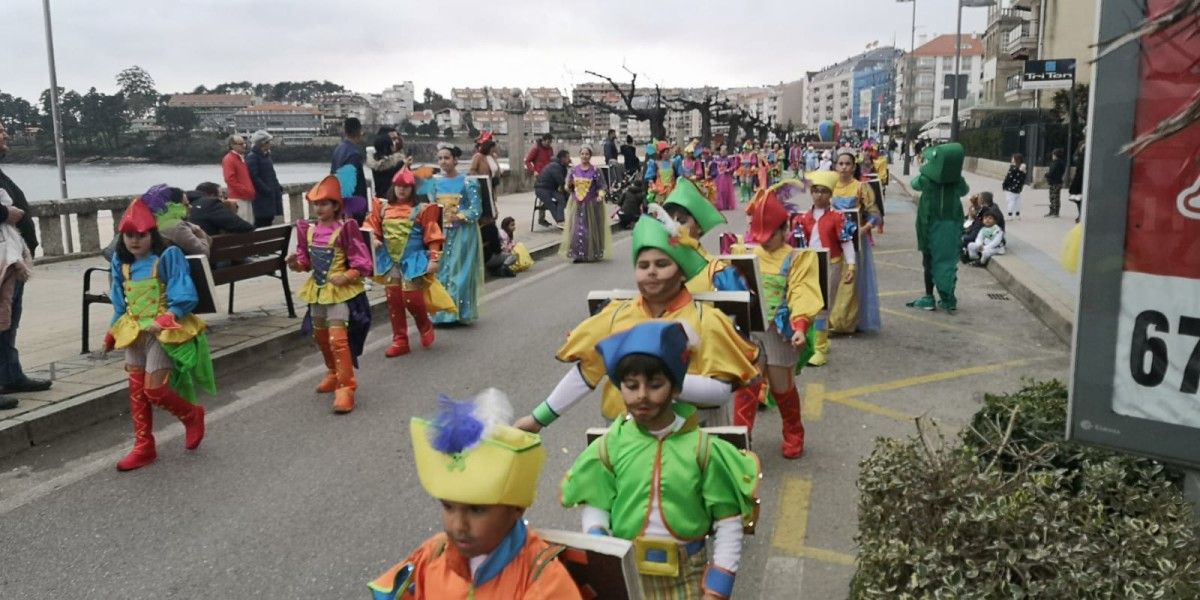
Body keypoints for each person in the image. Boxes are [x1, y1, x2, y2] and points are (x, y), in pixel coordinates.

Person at [560, 321, 760, 598]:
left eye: (655, 385)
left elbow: (727, 521)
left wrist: (717, 588)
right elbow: (597, 504)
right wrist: (600, 546)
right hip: (627, 572)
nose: (642, 395)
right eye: (631, 385)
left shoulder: (703, 450)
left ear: (676, 388)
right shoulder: (610, 446)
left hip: (688, 577)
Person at [514, 215, 759, 432]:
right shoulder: (614, 315)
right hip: (624, 443)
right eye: (643, 266)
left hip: (690, 442)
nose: (651, 271)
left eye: (662, 264)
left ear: (682, 272)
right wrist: (538, 419)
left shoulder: (707, 320)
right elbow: (586, 373)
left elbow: (721, 390)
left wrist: (665, 379)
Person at [368, 389, 583, 600]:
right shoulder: (433, 556)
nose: (458, 526)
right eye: (448, 507)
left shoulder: (543, 584)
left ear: (516, 507)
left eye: (477, 510)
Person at [102, 197, 212, 471]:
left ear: (152, 234)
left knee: (155, 390)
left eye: (141, 235)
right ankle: (144, 446)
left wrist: (165, 318)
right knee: (137, 392)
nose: (134, 241)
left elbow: (183, 294)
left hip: (163, 332)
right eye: (129, 235)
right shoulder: (120, 262)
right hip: (133, 331)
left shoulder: (168, 256)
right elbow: (119, 302)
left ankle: (191, 415)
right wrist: (111, 332)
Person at [733, 183, 823, 458]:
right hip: (751, 329)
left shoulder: (798, 258)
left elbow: (801, 290)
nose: (763, 240)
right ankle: (741, 439)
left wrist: (800, 326)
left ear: (786, 229)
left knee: (782, 387)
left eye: (770, 235)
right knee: (747, 384)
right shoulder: (743, 252)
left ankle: (794, 431)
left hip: (780, 331)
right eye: (759, 235)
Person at [286, 176, 373, 413]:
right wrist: (295, 263)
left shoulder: (346, 228)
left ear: (336, 206)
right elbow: (306, 262)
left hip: (341, 292)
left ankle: (346, 386)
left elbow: (363, 262)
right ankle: (333, 372)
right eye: (316, 204)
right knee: (321, 337)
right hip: (317, 290)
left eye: (324, 203)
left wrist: (347, 276)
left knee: (338, 339)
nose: (319, 208)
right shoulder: (308, 230)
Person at [365, 169, 450, 357]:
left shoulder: (423, 210)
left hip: (414, 260)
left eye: (406, 187)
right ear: (393, 187)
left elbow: (433, 235)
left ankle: (424, 324)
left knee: (411, 298)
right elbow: (371, 228)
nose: (401, 190)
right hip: (389, 260)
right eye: (398, 186)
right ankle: (400, 339)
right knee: (394, 299)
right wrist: (374, 239)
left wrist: (434, 259)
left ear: (412, 189)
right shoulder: (382, 207)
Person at [794, 172, 856, 367]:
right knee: (807, 305)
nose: (818, 195)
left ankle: (820, 348)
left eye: (823, 191)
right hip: (808, 265)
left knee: (822, 307)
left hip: (831, 264)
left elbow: (846, 242)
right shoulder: (803, 217)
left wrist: (851, 264)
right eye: (815, 191)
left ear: (830, 195)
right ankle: (817, 341)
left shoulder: (838, 217)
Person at [907, 143, 969, 313]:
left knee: (929, 262)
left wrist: (925, 169)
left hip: (930, 226)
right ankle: (948, 298)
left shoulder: (926, 179)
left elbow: (914, 184)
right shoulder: (957, 181)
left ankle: (929, 297)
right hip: (951, 226)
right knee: (948, 262)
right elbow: (965, 190)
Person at [828, 150, 882, 333]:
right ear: (835, 166)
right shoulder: (830, 187)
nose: (843, 167)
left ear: (853, 167)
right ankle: (830, 318)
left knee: (849, 280)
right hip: (833, 241)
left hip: (855, 241)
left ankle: (843, 322)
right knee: (833, 278)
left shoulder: (861, 187)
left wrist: (862, 230)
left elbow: (874, 215)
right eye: (840, 163)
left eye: (847, 164)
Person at [431, 145, 485, 325]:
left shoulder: (468, 182)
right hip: (442, 233)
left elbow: (476, 210)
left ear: (455, 160)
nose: (443, 162)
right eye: (439, 158)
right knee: (442, 272)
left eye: (446, 157)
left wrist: (460, 216)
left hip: (463, 233)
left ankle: (457, 312)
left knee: (459, 272)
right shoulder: (434, 183)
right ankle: (442, 311)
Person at [560, 146, 612, 263]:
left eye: (587, 154)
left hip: (591, 204)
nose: (584, 156)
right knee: (576, 228)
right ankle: (577, 254)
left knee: (590, 228)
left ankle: (591, 252)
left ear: (590, 156)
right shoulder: (573, 170)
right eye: (582, 154)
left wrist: (600, 195)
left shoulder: (595, 170)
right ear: (579, 155)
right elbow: (567, 187)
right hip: (576, 203)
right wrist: (569, 185)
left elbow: (602, 186)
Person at [141, 185, 212, 257]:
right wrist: (198, 231)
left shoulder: (155, 224)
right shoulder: (176, 227)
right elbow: (204, 252)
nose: (190, 207)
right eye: (186, 205)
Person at [469, 131, 503, 273]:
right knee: (487, 217)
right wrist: (481, 180)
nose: (495, 149)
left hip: (492, 189)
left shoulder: (492, 157)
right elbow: (472, 171)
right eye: (492, 147)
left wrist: (496, 178)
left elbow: (497, 170)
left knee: (493, 213)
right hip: (483, 189)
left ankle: (495, 250)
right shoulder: (478, 157)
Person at [332, 117, 369, 224]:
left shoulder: (338, 149)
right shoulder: (353, 154)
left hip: (338, 203)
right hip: (352, 208)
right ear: (359, 131)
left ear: (345, 131)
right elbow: (349, 184)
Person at [245, 130, 283, 228]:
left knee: (269, 220)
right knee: (261, 222)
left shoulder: (266, 156)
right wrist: (267, 190)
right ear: (263, 143)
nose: (271, 143)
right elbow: (254, 177)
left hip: (270, 196)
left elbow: (272, 175)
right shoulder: (252, 157)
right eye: (269, 141)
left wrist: (277, 187)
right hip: (261, 198)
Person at [186, 182, 254, 236]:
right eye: (220, 196)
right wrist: (232, 212)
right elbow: (244, 227)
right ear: (212, 196)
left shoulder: (185, 203)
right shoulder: (210, 203)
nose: (223, 200)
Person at [221, 134, 256, 223]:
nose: (244, 145)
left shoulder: (240, 158)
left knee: (249, 224)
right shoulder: (229, 159)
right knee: (243, 224)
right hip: (238, 199)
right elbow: (229, 179)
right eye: (240, 144)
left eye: (244, 143)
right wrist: (245, 191)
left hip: (246, 197)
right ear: (232, 145)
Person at [368, 127, 408, 200]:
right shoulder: (398, 163)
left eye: (397, 138)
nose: (396, 142)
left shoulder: (374, 161)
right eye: (392, 139)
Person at [534, 150, 569, 229]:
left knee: (561, 199)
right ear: (562, 159)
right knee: (551, 204)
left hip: (550, 189)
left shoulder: (561, 166)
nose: (569, 160)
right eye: (567, 158)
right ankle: (560, 221)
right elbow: (561, 181)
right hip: (541, 189)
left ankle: (561, 220)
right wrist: (566, 192)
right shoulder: (555, 166)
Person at [1001, 153, 1027, 219]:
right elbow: (1023, 178)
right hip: (1018, 188)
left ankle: (1010, 215)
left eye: (1013, 158)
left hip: (1010, 188)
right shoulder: (1023, 169)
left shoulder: (1013, 168)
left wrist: (1004, 185)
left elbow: (1008, 178)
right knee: (1017, 201)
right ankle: (1017, 214)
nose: (1011, 159)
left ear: (1016, 160)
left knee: (1010, 201)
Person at [713, 144, 738, 211]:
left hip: (726, 177)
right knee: (719, 191)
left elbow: (734, 166)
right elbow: (714, 166)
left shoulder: (729, 159)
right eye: (722, 151)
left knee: (726, 191)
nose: (723, 152)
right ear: (720, 151)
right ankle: (720, 205)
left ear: (726, 152)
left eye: (724, 151)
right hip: (718, 177)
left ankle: (726, 204)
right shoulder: (717, 158)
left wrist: (728, 170)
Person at [1045, 148, 1066, 218]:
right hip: (1056, 181)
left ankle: (1055, 212)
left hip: (1055, 182)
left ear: (1055, 155)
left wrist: (1047, 175)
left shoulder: (1056, 163)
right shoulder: (1060, 162)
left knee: (1054, 197)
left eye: (1053, 154)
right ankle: (1053, 211)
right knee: (1053, 197)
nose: (1052, 156)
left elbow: (1052, 172)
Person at [1068, 141, 1085, 223]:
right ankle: (1081, 214)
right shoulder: (1081, 143)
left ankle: (1082, 214)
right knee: (1078, 198)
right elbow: (1074, 158)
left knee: (1081, 198)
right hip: (1079, 179)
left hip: (1083, 178)